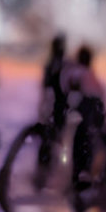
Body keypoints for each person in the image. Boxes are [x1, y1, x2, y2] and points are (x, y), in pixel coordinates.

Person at [61, 44, 106, 212]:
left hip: (76, 126)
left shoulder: (70, 74)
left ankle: (78, 197)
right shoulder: (87, 76)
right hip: (88, 126)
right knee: (87, 162)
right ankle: (84, 196)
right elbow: (98, 99)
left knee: (77, 163)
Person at [34, 34, 68, 189]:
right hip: (57, 108)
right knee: (52, 141)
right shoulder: (60, 65)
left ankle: (44, 174)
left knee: (49, 142)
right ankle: (45, 175)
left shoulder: (54, 64)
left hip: (54, 108)